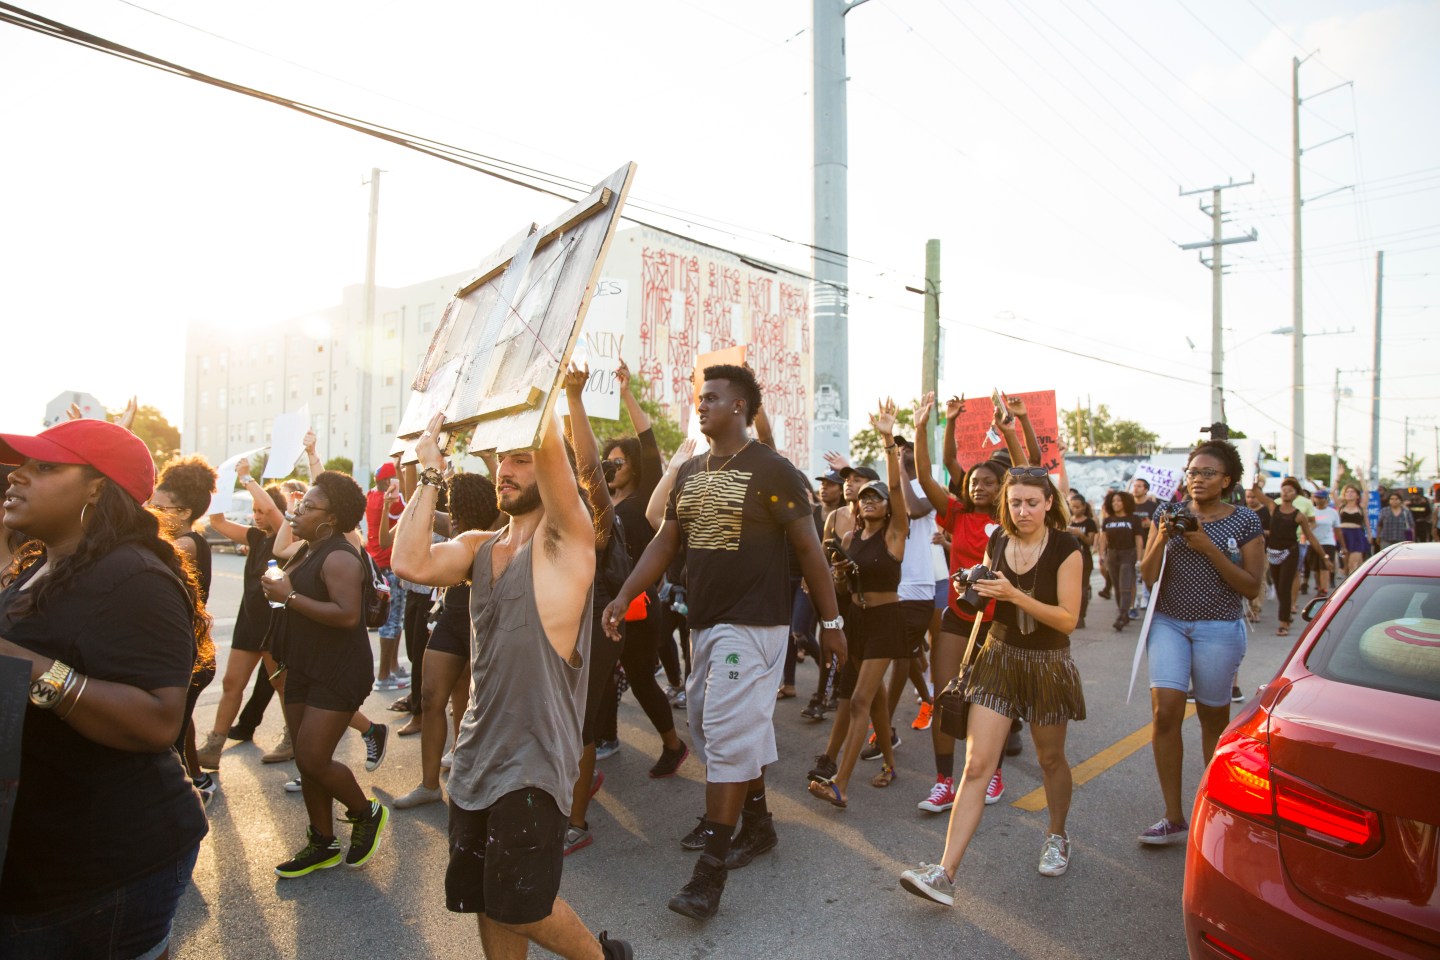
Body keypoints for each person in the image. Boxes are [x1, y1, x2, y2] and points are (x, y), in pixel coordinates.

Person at [602, 363, 847, 922]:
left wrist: (831, 625)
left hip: (754, 624)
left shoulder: (774, 470)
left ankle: (709, 874)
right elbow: (665, 543)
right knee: (713, 727)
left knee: (727, 730)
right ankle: (757, 824)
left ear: (740, 406)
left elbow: (810, 550)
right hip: (706, 623)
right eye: (699, 397)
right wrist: (624, 596)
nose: (702, 404)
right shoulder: (690, 470)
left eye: (712, 396)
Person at [391, 410, 632, 960]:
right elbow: (408, 561)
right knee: (486, 898)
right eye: (503, 458)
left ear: (550, 473)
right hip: (476, 754)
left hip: (535, 758)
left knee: (522, 903)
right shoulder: (479, 546)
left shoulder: (567, 544)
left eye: (521, 459)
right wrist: (431, 473)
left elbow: (553, 449)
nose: (505, 468)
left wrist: (538, 389)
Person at [0, 418, 208, 958]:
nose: (17, 476)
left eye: (44, 467)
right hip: (39, 851)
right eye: (20, 465)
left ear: (97, 488)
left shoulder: (134, 577)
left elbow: (159, 721)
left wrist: (27, 665)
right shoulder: (43, 565)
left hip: (104, 867)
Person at [901, 466, 1086, 905]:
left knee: (1050, 757)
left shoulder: (1066, 547)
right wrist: (974, 581)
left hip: (1047, 662)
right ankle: (944, 873)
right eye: (1016, 502)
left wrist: (1012, 595)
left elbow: (1067, 619)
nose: (1023, 511)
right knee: (977, 765)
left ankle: (1057, 834)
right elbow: (986, 592)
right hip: (998, 658)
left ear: (1048, 504)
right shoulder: (999, 539)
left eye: (1032, 503)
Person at [1133, 441, 1266, 845]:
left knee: (1213, 719)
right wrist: (1162, 536)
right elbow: (1149, 575)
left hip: (1219, 628)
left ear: (1227, 480)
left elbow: (1250, 585)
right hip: (1169, 623)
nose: (1198, 479)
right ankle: (1173, 816)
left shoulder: (1245, 520)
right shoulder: (1166, 512)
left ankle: (1216, 810)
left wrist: (1207, 546)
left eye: (1208, 473)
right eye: (1192, 472)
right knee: (1166, 714)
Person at [261, 471, 389, 877]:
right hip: (304, 664)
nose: (297, 511)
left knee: (315, 757)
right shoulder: (308, 547)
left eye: (307, 507)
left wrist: (290, 596)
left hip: (338, 670)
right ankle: (322, 842)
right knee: (305, 759)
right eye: (299, 505)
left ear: (331, 519)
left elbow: (348, 615)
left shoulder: (338, 555)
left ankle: (365, 812)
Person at [911, 393, 1023, 815]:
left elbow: (1028, 472)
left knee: (989, 702)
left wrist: (1012, 431)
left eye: (988, 482)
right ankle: (944, 782)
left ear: (1003, 488)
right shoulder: (955, 515)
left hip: (1000, 625)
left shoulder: (1015, 519)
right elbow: (925, 475)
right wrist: (925, 425)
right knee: (946, 697)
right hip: (959, 618)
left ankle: (991, 769)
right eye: (974, 481)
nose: (979, 485)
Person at [806, 400, 911, 807]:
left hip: (887, 621)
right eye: (863, 497)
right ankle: (888, 764)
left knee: (862, 703)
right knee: (876, 702)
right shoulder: (849, 539)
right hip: (856, 621)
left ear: (887, 508)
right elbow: (841, 585)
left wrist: (887, 438)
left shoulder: (895, 534)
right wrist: (838, 574)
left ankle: (840, 783)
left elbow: (898, 490)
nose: (868, 501)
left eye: (876, 497)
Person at [599, 359, 689, 777]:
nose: (612, 467)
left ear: (634, 465)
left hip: (640, 601)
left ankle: (673, 745)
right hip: (605, 600)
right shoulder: (601, 503)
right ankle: (605, 737)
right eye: (607, 462)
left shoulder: (648, 494)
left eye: (618, 461)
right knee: (597, 672)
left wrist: (626, 394)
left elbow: (649, 441)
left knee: (639, 676)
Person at [393, 471, 497, 810]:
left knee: (468, 702)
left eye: (452, 502)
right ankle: (428, 786)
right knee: (430, 696)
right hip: (450, 619)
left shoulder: (496, 530)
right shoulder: (453, 525)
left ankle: (466, 777)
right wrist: (412, 468)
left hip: (481, 621)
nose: (447, 507)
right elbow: (417, 510)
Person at [198, 460, 295, 768]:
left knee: (281, 685)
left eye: (259, 510)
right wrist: (221, 485)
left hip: (274, 623)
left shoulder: (285, 536)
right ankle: (214, 746)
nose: (255, 515)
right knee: (231, 683)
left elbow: (276, 514)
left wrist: (247, 479)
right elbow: (218, 522)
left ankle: (293, 739)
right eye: (253, 510)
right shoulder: (254, 538)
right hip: (248, 622)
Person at [148, 455, 220, 801]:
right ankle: (197, 780)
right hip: (190, 650)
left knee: (170, 736)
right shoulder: (186, 541)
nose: (152, 512)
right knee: (181, 724)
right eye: (151, 504)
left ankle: (184, 799)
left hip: (188, 654)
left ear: (185, 513)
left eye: (161, 508)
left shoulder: (185, 545)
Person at [1250, 477, 1330, 636]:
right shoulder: (1274, 507)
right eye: (1284, 489)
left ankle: (1283, 623)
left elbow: (1310, 537)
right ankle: (1286, 614)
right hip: (1273, 552)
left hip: (1290, 552)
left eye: (1290, 490)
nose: (1286, 492)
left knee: (1285, 587)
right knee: (1279, 587)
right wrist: (1256, 477)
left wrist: (1325, 557)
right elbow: (1255, 491)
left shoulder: (1299, 515)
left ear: (1296, 495)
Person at [366, 460, 408, 690]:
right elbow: (410, 501)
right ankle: (383, 676)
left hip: (379, 564)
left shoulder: (372, 495)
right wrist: (403, 471)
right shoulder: (392, 502)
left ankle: (392, 669)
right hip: (390, 566)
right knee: (391, 622)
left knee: (393, 621)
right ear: (389, 481)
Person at [1100, 490, 1145, 631]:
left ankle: (1123, 614)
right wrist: (1102, 555)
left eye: (1119, 500)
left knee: (1126, 584)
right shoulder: (1108, 520)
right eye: (1113, 501)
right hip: (1113, 554)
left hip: (1128, 553)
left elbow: (1138, 539)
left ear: (1125, 502)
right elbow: (1103, 539)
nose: (1116, 503)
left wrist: (1139, 558)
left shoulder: (1134, 519)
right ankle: (1123, 612)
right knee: (1117, 586)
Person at [1067, 491, 1097, 630]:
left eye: (1078, 507)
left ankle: (1081, 616)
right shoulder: (1068, 520)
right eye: (1073, 506)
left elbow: (1090, 541)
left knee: (1082, 588)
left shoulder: (1089, 522)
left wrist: (1080, 534)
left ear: (1084, 507)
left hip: (1084, 557)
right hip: (1068, 559)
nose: (1075, 509)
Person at [1308, 490, 1341, 596]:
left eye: (1321, 497)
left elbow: (1337, 529)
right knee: (1315, 568)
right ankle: (1319, 586)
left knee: (1325, 566)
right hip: (1312, 542)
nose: (1318, 499)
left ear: (1326, 499)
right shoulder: (1311, 511)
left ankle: (1324, 589)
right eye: (1316, 497)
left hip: (1328, 542)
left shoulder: (1332, 512)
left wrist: (1340, 544)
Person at [1336, 483, 1372, 577]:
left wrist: (1360, 476)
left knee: (1353, 564)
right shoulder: (1341, 506)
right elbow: (1332, 492)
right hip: (1343, 536)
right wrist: (1338, 478)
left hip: (1357, 535)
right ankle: (1347, 585)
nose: (1350, 493)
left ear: (1357, 495)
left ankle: (1352, 587)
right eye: (1347, 492)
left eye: (1352, 492)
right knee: (1345, 567)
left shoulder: (1361, 507)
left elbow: (1366, 492)